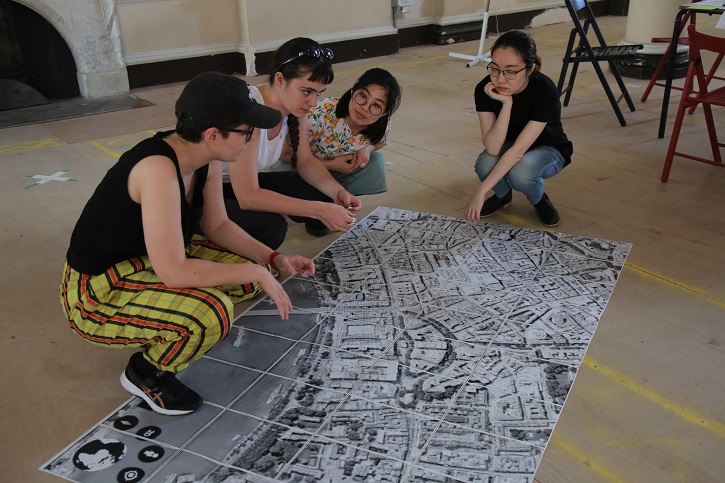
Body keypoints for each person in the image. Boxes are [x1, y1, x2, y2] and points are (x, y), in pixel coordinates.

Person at [59, 72, 315, 416]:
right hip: (99, 289)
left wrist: (273, 258)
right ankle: (147, 371)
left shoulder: (202, 157)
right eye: (246, 132)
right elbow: (174, 270)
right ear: (212, 134)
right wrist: (254, 270)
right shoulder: (157, 169)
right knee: (210, 313)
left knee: (250, 276)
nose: (251, 139)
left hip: (148, 258)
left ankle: (166, 318)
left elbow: (218, 225)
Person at [224, 37, 361, 248]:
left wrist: (338, 192)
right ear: (280, 80)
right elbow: (247, 196)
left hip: (236, 186)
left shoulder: (295, 108)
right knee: (271, 228)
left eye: (318, 93)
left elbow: (305, 160)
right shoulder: (250, 111)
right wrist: (318, 210)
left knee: (322, 194)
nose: (314, 102)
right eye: (307, 91)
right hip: (204, 191)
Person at [464, 30, 573, 227]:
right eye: (495, 68)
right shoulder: (484, 89)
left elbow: (517, 151)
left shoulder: (544, 89)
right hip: (510, 143)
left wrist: (481, 191)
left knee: (521, 173)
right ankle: (503, 195)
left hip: (549, 147)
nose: (500, 79)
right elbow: (493, 148)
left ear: (530, 69)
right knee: (485, 164)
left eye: (511, 71)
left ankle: (539, 200)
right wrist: (506, 105)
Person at [274, 67, 402, 197]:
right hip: (298, 167)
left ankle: (343, 199)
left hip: (334, 169)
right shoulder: (321, 116)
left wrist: (368, 149)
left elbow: (380, 142)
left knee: (375, 161)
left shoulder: (382, 123)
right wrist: (332, 165)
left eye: (376, 105)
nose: (364, 107)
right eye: (363, 96)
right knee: (288, 177)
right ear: (353, 91)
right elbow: (283, 155)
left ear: (384, 112)